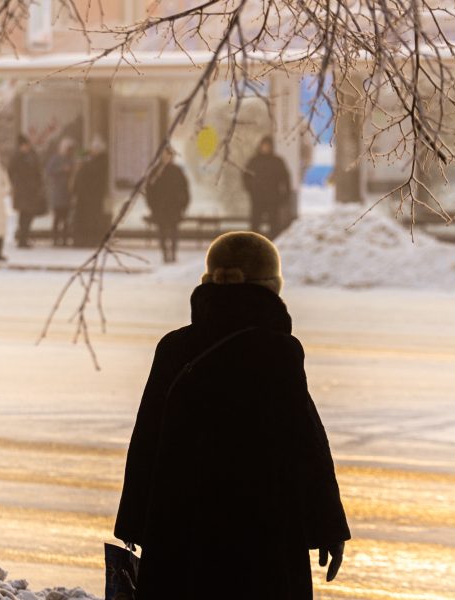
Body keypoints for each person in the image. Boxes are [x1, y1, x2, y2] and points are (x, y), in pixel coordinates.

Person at [115, 231, 350, 599]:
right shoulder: (278, 352)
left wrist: (134, 525)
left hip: (180, 530)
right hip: (261, 534)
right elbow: (304, 443)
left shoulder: (175, 347)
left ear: (209, 283)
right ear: (271, 288)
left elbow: (146, 439)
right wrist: (327, 527)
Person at [144, 147, 190, 263]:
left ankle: (173, 254)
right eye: (164, 155)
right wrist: (152, 205)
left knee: (174, 231)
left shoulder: (177, 171)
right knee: (162, 232)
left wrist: (183, 204)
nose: (166, 157)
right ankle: (165, 254)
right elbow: (150, 189)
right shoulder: (156, 171)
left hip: (174, 206)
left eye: (168, 155)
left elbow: (184, 188)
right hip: (160, 207)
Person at [243, 135, 292, 238]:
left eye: (268, 146)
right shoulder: (254, 161)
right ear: (260, 146)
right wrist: (251, 190)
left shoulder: (277, 161)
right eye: (264, 145)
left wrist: (284, 195)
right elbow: (245, 176)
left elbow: (286, 178)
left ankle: (273, 247)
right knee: (255, 224)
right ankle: (253, 246)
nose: (266, 148)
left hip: (273, 199)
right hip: (257, 198)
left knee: (274, 225)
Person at [70, 136, 109, 248]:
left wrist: (83, 166)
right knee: (84, 219)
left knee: (90, 219)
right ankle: (82, 240)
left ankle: (88, 240)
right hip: (85, 196)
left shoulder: (99, 162)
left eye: (93, 149)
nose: (91, 151)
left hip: (91, 197)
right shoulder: (92, 161)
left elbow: (90, 175)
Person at [7, 134, 46, 248]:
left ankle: (25, 237)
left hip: (32, 191)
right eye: (25, 145)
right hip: (22, 191)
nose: (27, 147)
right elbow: (10, 172)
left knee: (29, 215)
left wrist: (39, 185)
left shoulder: (32, 155)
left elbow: (38, 171)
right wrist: (16, 183)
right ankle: (22, 239)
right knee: (24, 215)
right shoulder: (17, 157)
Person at [45, 137, 75, 246]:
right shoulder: (55, 159)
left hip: (67, 193)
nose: (69, 151)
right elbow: (49, 171)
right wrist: (62, 169)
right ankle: (55, 239)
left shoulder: (70, 159)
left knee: (66, 219)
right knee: (57, 218)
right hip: (57, 192)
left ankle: (65, 239)